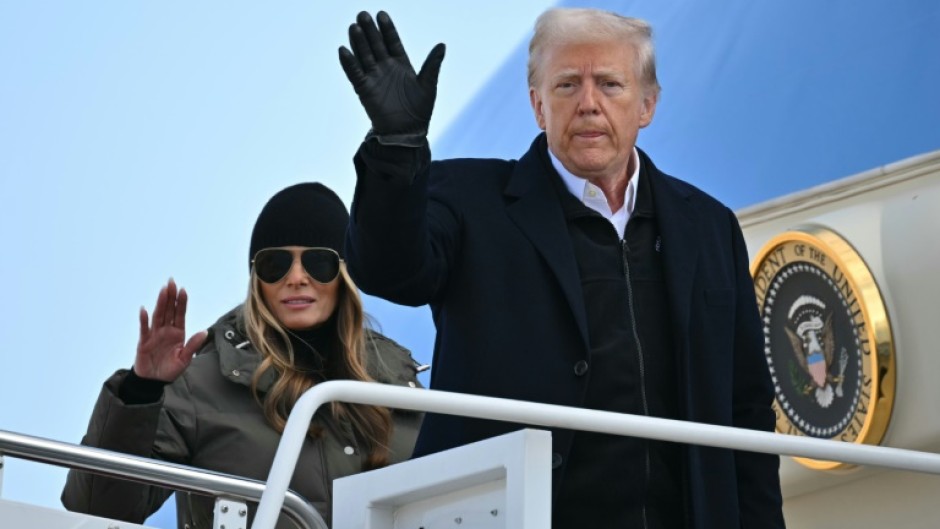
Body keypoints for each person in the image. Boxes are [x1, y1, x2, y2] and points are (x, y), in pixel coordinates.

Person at [338, 8, 785, 529]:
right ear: (538, 106)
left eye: (610, 84)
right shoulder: (469, 201)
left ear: (647, 105)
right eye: (567, 84)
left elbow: (747, 411)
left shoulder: (709, 227)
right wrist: (398, 147)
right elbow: (387, 269)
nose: (588, 103)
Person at [62, 183, 424, 528]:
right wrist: (141, 391)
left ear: (345, 272)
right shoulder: (200, 384)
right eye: (275, 264)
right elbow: (96, 508)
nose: (296, 277)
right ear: (256, 277)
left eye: (318, 261)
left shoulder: (397, 385)